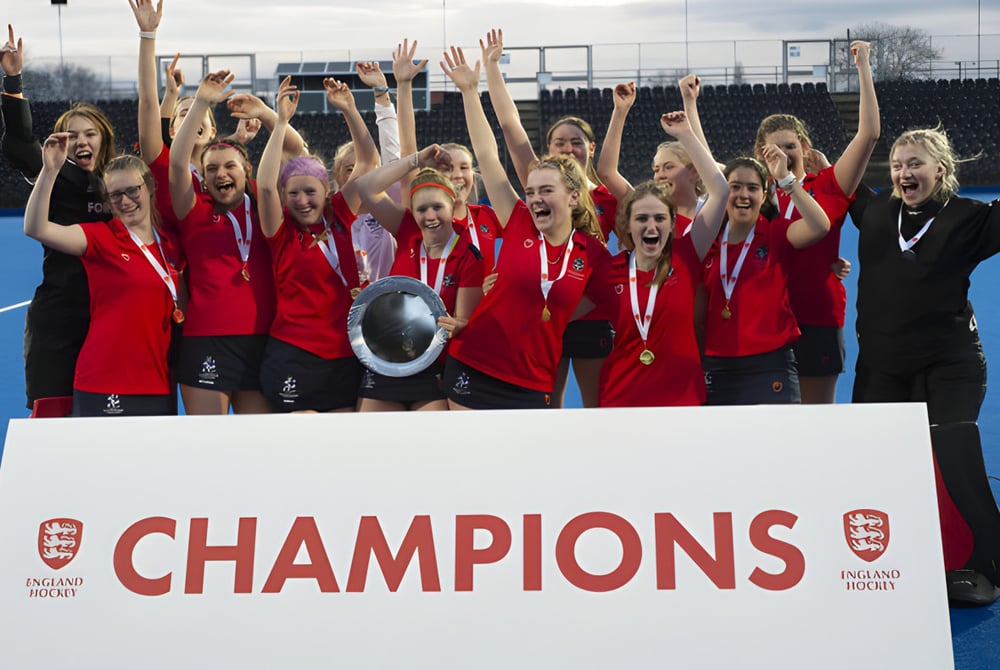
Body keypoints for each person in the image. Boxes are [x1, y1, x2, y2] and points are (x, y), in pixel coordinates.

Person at [850, 127, 1000, 606]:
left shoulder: (970, 217)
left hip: (949, 362)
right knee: (877, 461)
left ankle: (986, 563)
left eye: (915, 163)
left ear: (941, 168)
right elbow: (837, 185)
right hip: (882, 365)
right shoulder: (876, 211)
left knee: (954, 452)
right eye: (897, 164)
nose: (904, 173)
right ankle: (894, 555)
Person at [441, 45, 610, 410]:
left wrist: (538, 299)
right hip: (475, 363)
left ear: (573, 198)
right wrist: (471, 92)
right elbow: (487, 155)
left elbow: (583, 305)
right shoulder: (518, 221)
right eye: (531, 191)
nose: (534, 199)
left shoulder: (593, 253)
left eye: (545, 191)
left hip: (536, 379)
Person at [753, 41, 879, 404]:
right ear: (759, 153)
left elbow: (868, 135)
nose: (782, 154)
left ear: (804, 146)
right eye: (771, 149)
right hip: (761, 319)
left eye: (789, 146)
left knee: (817, 419)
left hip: (818, 317)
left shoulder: (827, 185)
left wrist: (863, 67)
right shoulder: (751, 197)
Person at [1, 25, 117, 412]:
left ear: (104, 138)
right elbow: (20, 144)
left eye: (89, 134)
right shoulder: (58, 176)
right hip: (61, 313)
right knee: (53, 410)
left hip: (113, 314)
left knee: (111, 413)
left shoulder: (126, 185)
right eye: (70, 136)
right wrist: (14, 81)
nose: (81, 142)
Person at [24, 138, 181, 417]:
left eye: (132, 190)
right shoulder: (101, 238)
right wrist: (49, 173)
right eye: (114, 195)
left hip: (157, 383)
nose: (125, 201)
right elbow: (37, 228)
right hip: (103, 380)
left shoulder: (170, 245)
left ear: (150, 187)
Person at [256, 76, 377, 413]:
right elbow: (265, 187)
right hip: (294, 354)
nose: (303, 200)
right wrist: (280, 122)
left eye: (311, 192)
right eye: (293, 193)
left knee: (342, 446)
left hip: (346, 353)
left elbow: (368, 162)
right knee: (298, 441)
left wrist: (350, 110)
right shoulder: (279, 232)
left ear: (327, 192)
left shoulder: (340, 214)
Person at [598, 111, 728, 407]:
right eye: (641, 218)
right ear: (627, 224)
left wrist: (685, 134)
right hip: (622, 396)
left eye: (659, 218)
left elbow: (720, 191)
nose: (651, 226)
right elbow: (565, 306)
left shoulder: (685, 251)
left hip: (685, 390)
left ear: (671, 223)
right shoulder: (611, 270)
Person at [700, 149, 834, 405]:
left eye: (752, 188)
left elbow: (820, 226)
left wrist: (785, 179)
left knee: (778, 444)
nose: (743, 195)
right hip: (716, 365)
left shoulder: (776, 233)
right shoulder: (705, 238)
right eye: (735, 187)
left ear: (763, 196)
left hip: (770, 364)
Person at [354, 150, 485, 411]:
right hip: (391, 359)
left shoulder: (468, 255)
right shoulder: (406, 230)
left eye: (437, 207)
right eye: (422, 209)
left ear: (452, 204)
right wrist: (416, 160)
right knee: (369, 441)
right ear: (412, 212)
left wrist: (458, 324)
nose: (430, 216)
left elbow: (465, 321)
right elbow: (365, 187)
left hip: (434, 364)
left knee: (429, 444)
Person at [391, 38, 502, 269]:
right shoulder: (421, 217)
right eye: (447, 168)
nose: (457, 175)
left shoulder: (488, 218)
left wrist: (470, 91)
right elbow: (408, 150)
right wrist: (403, 85)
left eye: (464, 167)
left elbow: (489, 155)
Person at [597, 80, 708, 235]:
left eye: (669, 167)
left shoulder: (711, 208)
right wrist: (620, 111)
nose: (660, 175)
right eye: (656, 169)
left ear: (695, 171)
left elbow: (715, 174)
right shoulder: (645, 207)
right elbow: (606, 172)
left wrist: (689, 104)